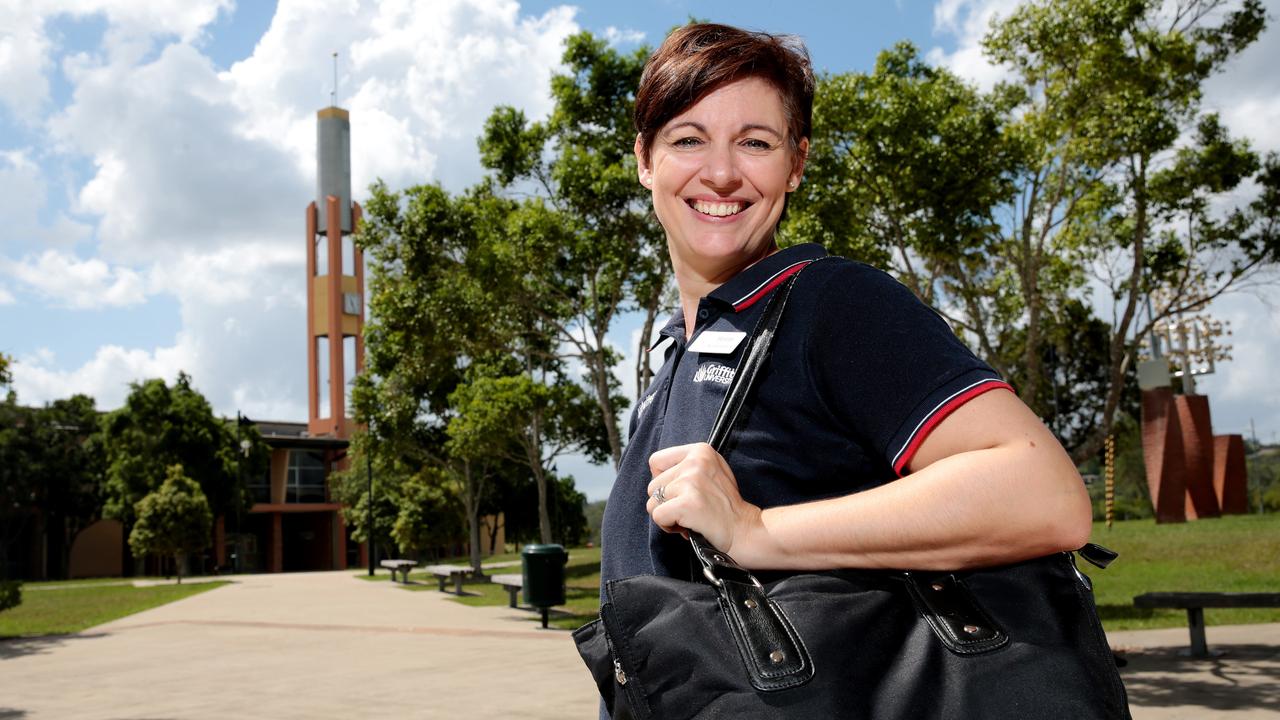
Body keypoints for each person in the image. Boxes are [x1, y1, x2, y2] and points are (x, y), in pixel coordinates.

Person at [596, 22, 1093, 714]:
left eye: (755, 142)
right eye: (688, 138)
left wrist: (755, 532)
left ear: (796, 164)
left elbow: (1041, 494)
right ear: (645, 159)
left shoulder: (830, 306)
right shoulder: (680, 359)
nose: (720, 172)